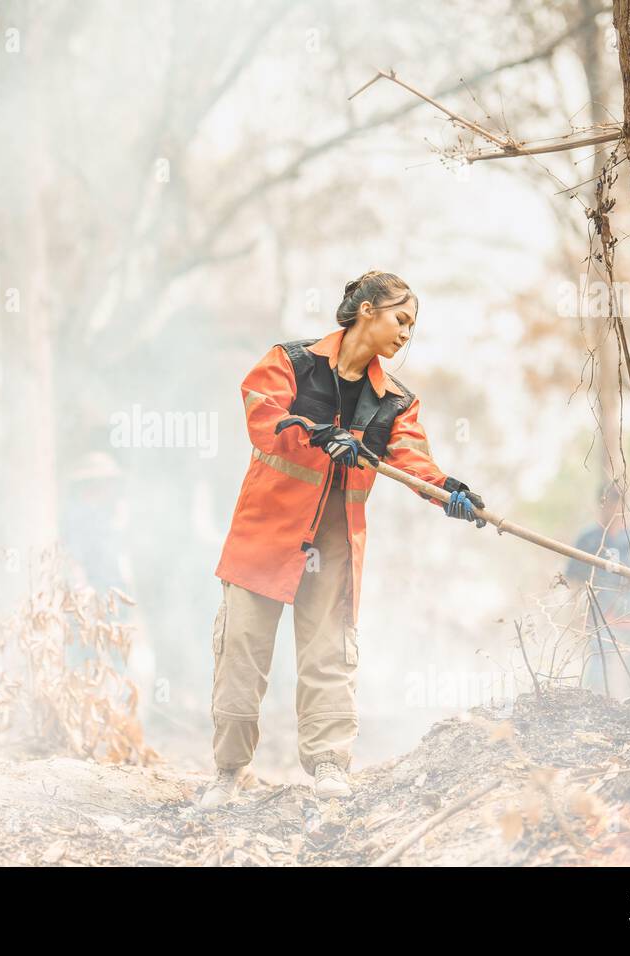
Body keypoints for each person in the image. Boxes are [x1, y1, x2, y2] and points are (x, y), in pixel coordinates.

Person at [200, 271, 487, 806]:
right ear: (367, 311)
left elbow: (413, 460)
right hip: (266, 533)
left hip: (334, 541)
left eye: (412, 327)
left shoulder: (395, 402)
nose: (406, 334)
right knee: (241, 648)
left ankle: (329, 766)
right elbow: (263, 415)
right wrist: (317, 431)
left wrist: (449, 490)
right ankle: (227, 773)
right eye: (401, 319)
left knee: (329, 651)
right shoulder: (291, 361)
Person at [564, 480, 630, 698]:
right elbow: (575, 581)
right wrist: (576, 615)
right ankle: (592, 718)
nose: (615, 507)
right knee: (599, 676)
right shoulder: (588, 538)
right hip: (602, 619)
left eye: (620, 501)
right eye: (610, 501)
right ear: (602, 503)